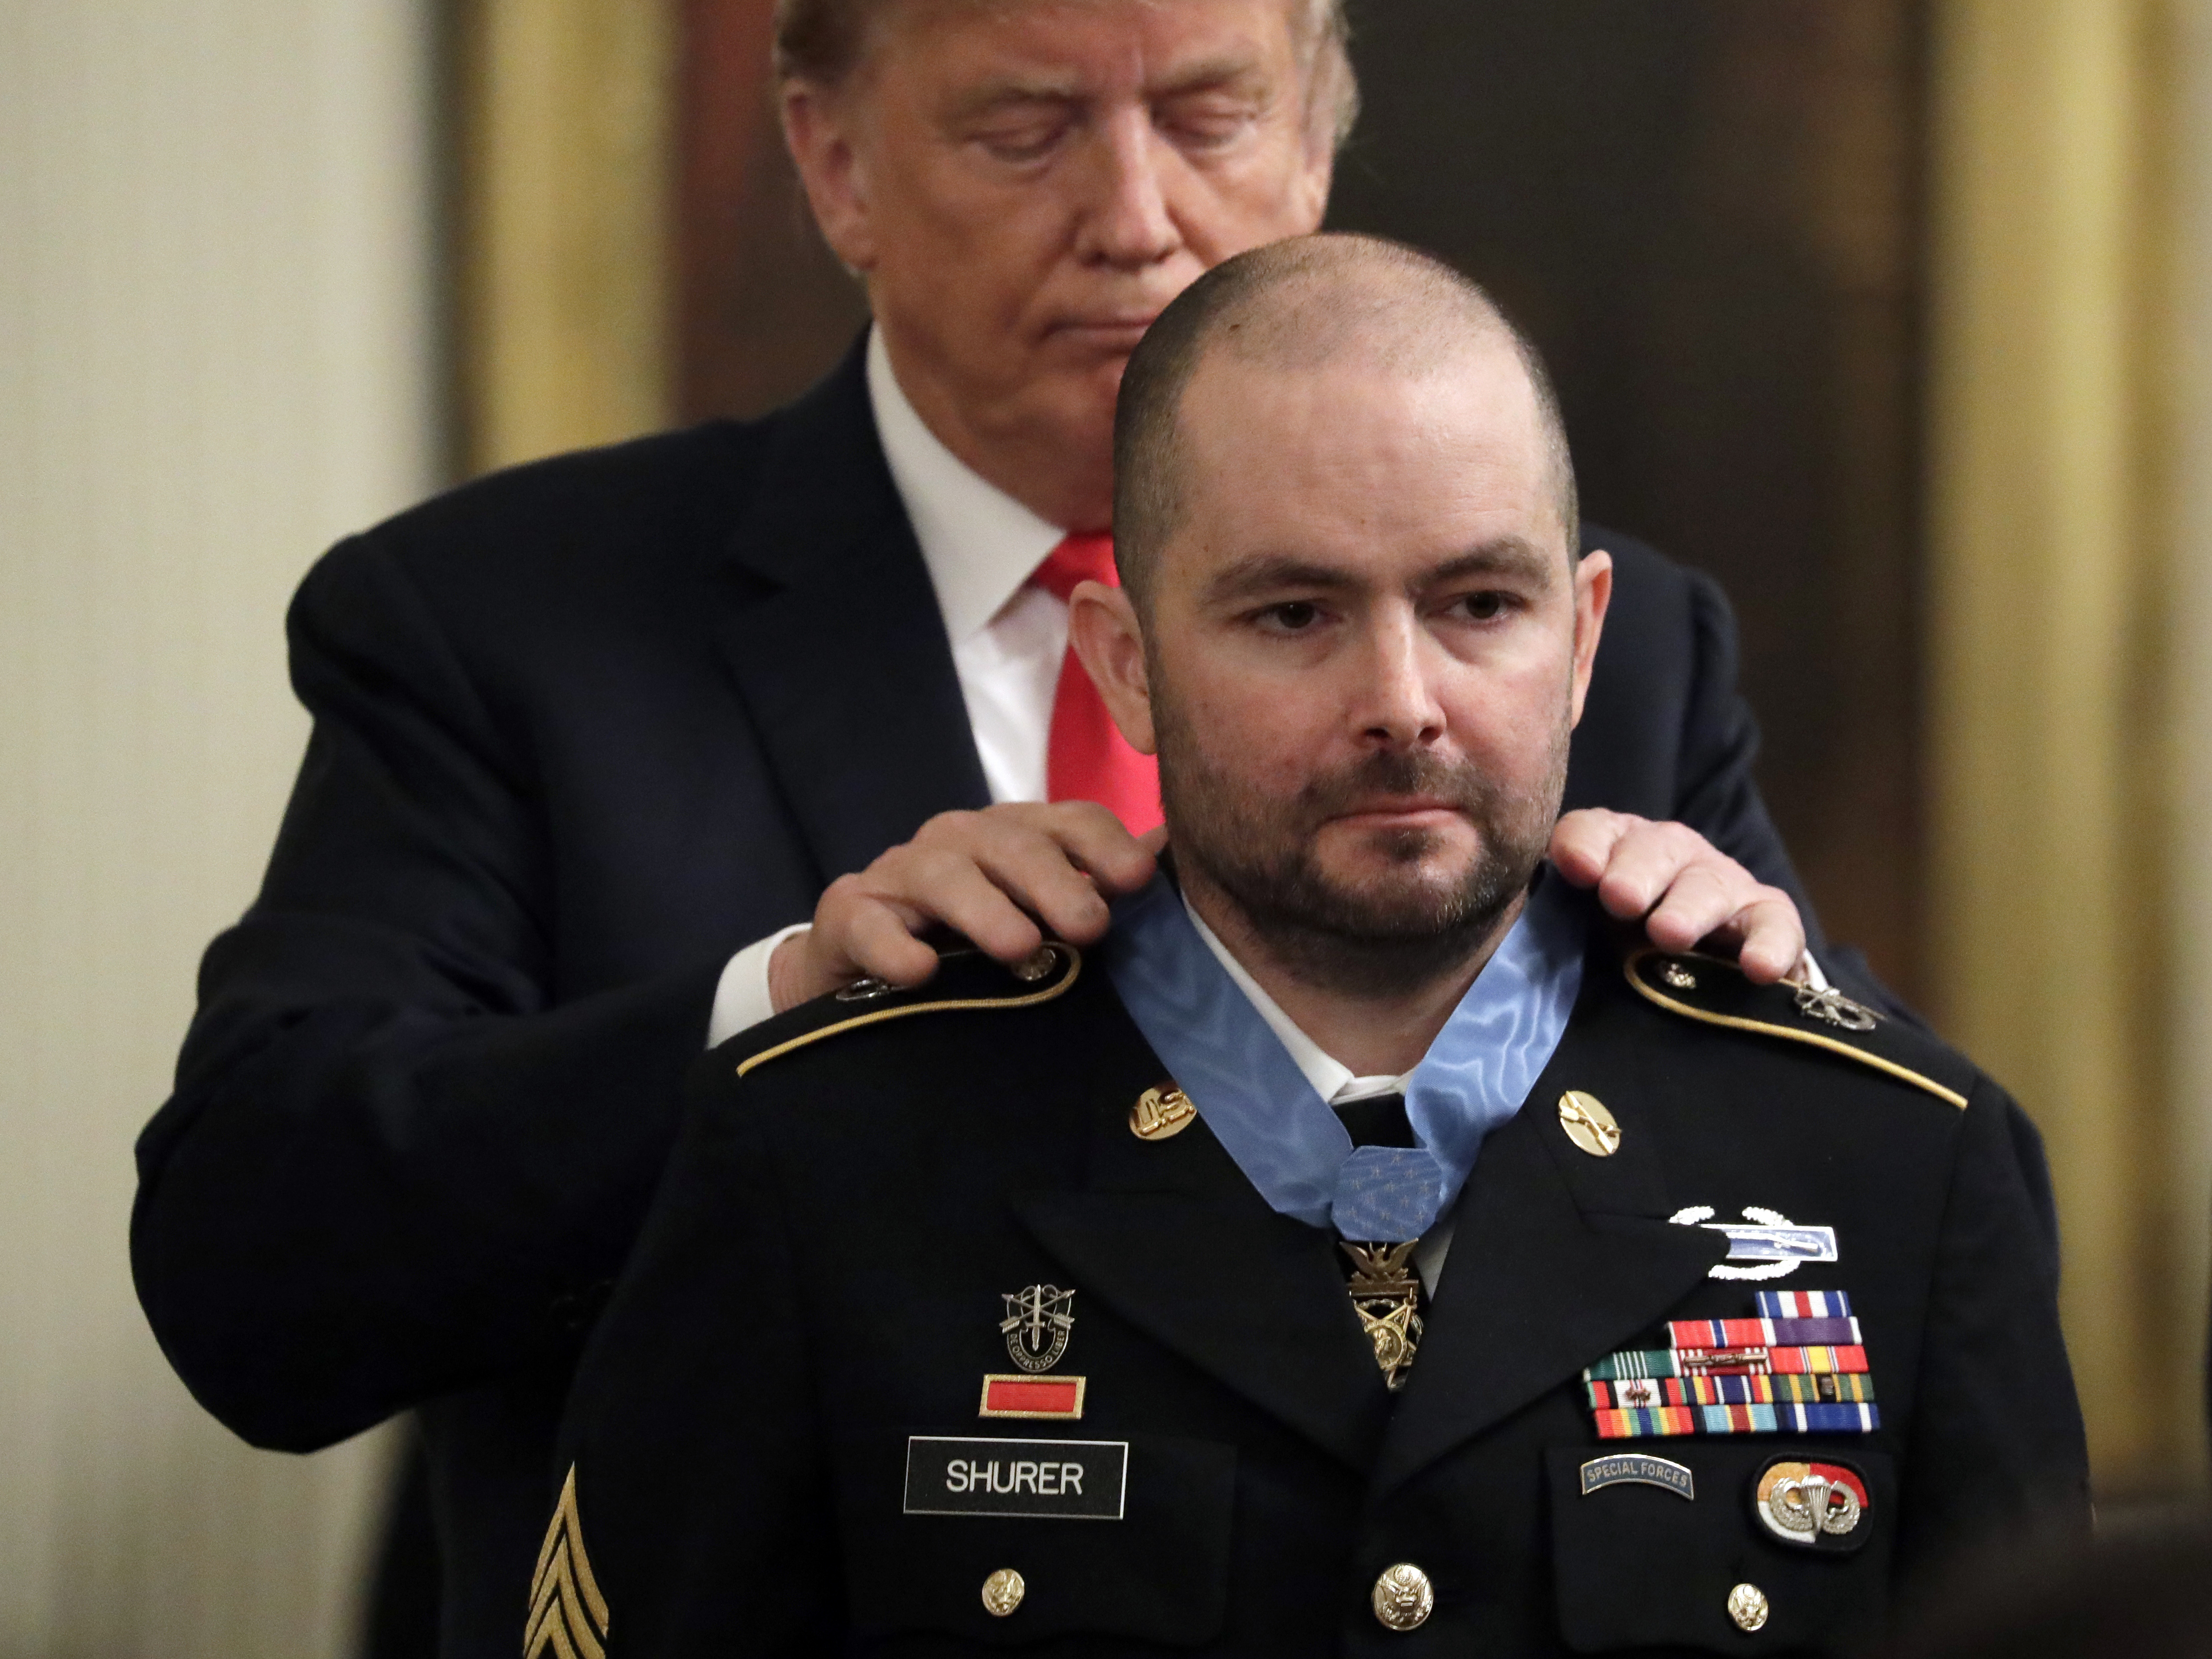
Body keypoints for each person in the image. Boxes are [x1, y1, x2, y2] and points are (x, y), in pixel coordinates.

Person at [133, 2, 1859, 1654]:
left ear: (1316, 146)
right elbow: (252, 1261)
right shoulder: (508, 626)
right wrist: (776, 1013)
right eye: (1026, 129)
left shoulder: (1580, 658)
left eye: (1209, 116)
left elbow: (1880, 1261)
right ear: (837, 167)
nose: (1136, 217)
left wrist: (1760, 1026)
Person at [538, 236, 2084, 1659]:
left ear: (1583, 639)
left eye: (1480, 602)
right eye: (1293, 615)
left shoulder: (1887, 1160)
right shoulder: (830, 1148)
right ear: (1128, 665)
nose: (1403, 700)